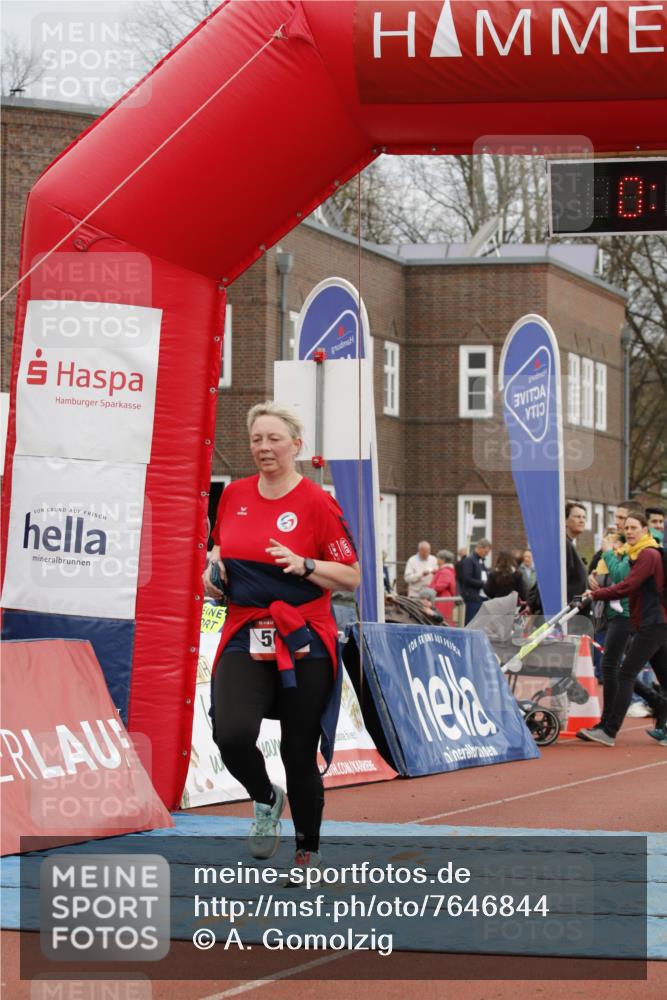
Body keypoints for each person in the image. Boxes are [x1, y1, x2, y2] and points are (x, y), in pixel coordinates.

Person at [203, 401, 360, 869]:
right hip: (244, 628)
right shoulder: (233, 495)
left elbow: (351, 576)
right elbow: (218, 550)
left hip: (304, 636)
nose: (264, 448)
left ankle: (306, 849)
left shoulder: (316, 501)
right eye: (256, 439)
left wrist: (306, 564)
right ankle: (264, 796)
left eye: (274, 439)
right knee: (230, 733)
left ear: (296, 445)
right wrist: (213, 573)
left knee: (297, 751)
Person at [578, 511, 667, 746]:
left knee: (625, 673)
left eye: (634, 528)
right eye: (626, 528)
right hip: (654, 623)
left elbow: (627, 585)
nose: (628, 532)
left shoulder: (648, 554)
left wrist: (596, 594)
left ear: (645, 531)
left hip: (653, 624)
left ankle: (609, 730)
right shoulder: (639, 554)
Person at [460, 539, 491, 624]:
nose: (487, 554)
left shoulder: (481, 561)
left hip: (482, 598)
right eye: (486, 552)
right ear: (480, 548)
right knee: (471, 624)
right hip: (473, 598)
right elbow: (467, 578)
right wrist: (483, 584)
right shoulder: (469, 560)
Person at [430, 549, 457, 625]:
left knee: (442, 622)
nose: (437, 560)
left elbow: (440, 586)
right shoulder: (446, 570)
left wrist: (429, 590)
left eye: (438, 558)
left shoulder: (445, 571)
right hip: (443, 600)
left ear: (443, 560)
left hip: (442, 601)